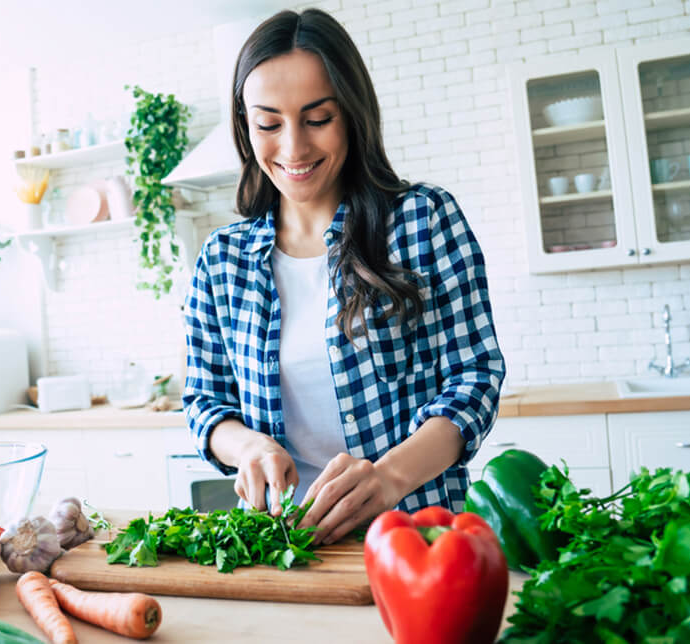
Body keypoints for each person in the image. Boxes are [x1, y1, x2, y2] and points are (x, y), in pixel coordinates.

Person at [182, 8, 505, 546]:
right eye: (268, 124)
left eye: (317, 119)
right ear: (246, 127)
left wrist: (388, 478)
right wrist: (248, 448)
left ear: (353, 114)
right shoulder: (222, 259)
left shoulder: (424, 220)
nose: (293, 149)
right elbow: (204, 402)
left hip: (419, 539)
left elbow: (474, 379)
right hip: (285, 549)